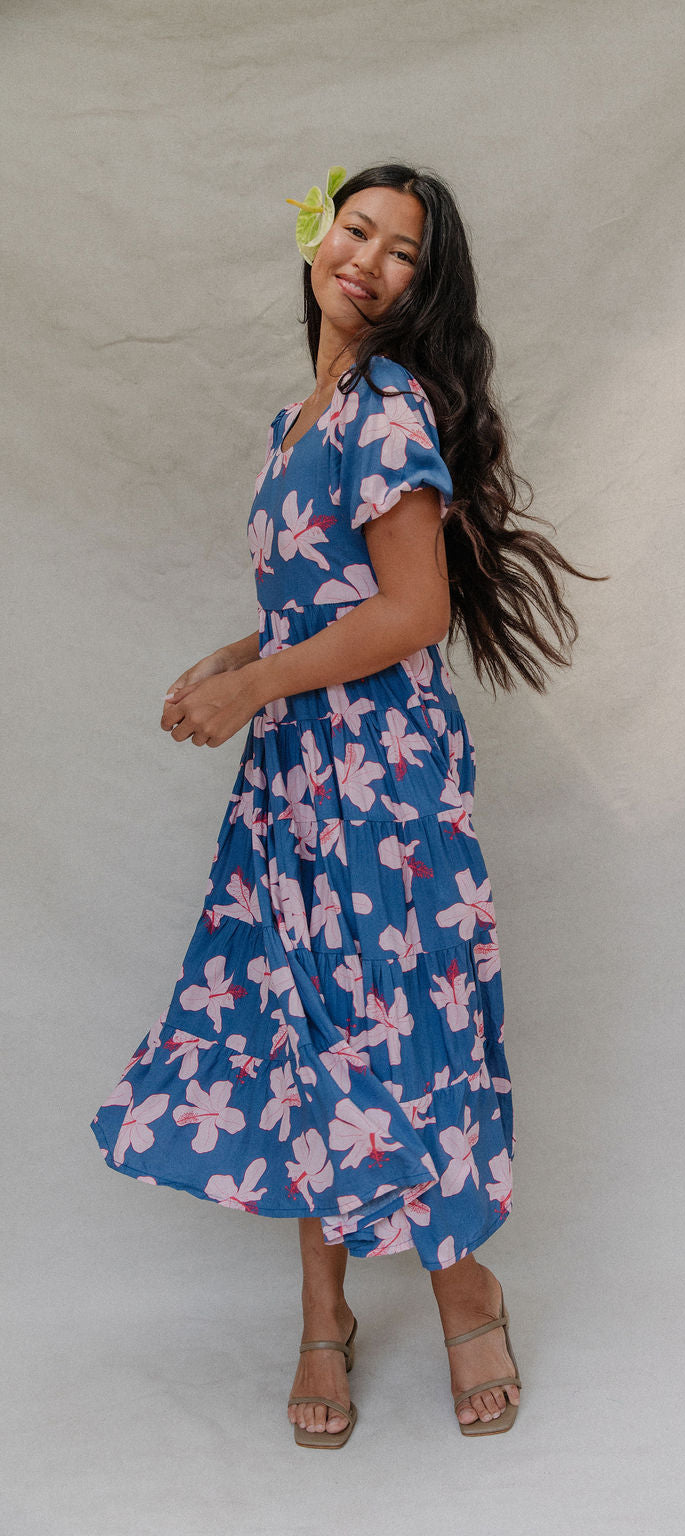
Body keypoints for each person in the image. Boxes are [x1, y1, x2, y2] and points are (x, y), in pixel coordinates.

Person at [89, 161, 606, 1446]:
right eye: (355, 229)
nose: (366, 260)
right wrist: (238, 657)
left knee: (394, 1033)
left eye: (402, 254)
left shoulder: (385, 410)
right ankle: (324, 1317)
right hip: (295, 785)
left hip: (380, 786)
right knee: (298, 1030)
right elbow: (332, 593)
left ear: (421, 292)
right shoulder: (299, 418)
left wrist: (263, 680)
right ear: (319, 236)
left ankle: (462, 1289)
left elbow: (415, 613)